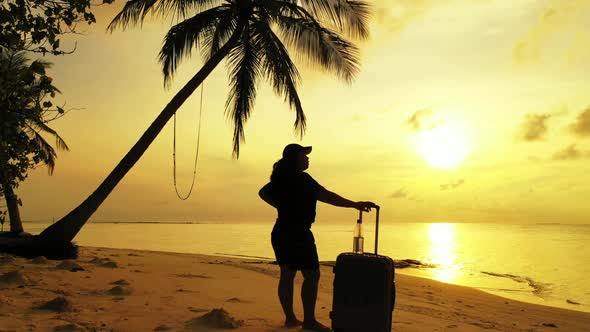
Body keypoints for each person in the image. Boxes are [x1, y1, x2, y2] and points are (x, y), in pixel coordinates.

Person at [258, 143, 376, 332]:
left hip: (281, 230)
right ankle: (309, 321)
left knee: (287, 274)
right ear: (295, 158)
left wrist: (283, 207)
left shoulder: (280, 179)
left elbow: (263, 193)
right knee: (312, 275)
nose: (307, 158)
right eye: (304, 155)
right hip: (299, 232)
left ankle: (290, 318)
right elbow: (328, 197)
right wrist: (355, 204)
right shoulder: (303, 179)